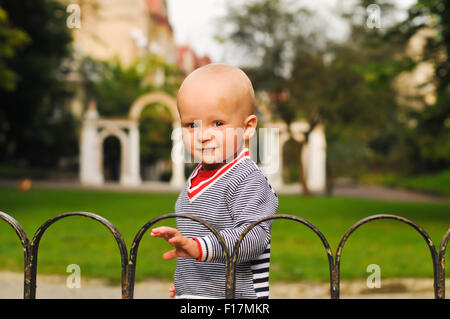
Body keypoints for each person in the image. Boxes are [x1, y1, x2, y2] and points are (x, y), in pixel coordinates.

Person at [150, 63, 278, 299]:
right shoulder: (197, 177)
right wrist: (187, 284)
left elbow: (254, 237)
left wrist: (197, 247)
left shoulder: (247, 179)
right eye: (191, 125)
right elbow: (194, 241)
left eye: (217, 123)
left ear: (247, 127)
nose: (202, 135)